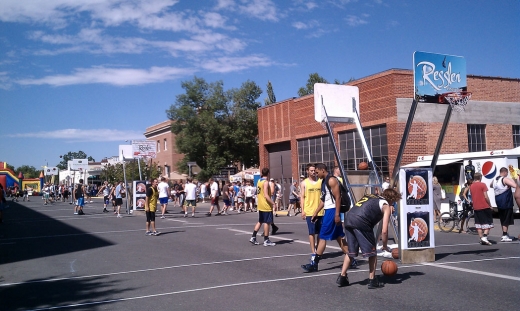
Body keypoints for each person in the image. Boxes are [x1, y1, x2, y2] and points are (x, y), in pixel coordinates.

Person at [336, 189, 402, 288]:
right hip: (361, 221)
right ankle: (372, 280)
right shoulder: (386, 205)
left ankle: (342, 276)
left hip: (349, 218)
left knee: (351, 251)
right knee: (372, 253)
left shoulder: (371, 196)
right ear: (392, 200)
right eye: (394, 201)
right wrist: (384, 246)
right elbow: (384, 230)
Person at [301, 163, 348, 273]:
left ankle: (314, 264)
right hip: (328, 210)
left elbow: (338, 198)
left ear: (322, 170)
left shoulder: (331, 180)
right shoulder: (323, 181)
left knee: (322, 236)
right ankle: (351, 258)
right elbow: (323, 199)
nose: (316, 174)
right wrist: (315, 212)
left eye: (317, 172)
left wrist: (337, 214)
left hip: (332, 211)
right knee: (339, 237)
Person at [300, 164, 324, 261]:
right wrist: (302, 210)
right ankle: (313, 252)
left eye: (314, 170)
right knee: (312, 232)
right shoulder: (304, 183)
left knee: (320, 233)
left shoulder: (320, 181)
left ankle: (318, 251)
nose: (313, 172)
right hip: (309, 211)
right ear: (307, 171)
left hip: (320, 211)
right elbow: (302, 197)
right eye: (311, 170)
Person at [249, 168, 276, 246]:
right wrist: (273, 203)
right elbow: (266, 195)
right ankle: (266, 240)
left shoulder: (259, 181)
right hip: (266, 205)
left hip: (260, 204)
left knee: (260, 221)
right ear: (268, 173)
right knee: (267, 222)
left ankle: (253, 237)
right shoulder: (266, 182)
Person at [490, 167, 516, 242]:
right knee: (506, 218)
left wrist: (499, 188)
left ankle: (505, 234)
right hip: (506, 201)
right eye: (507, 173)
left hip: (498, 201)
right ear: (505, 172)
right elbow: (515, 185)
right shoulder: (504, 179)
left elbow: (491, 185)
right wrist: (511, 182)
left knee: (503, 217)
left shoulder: (495, 179)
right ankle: (504, 235)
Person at [469, 173, 493, 245]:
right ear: (480, 177)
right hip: (484, 206)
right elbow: (486, 196)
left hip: (476, 207)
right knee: (488, 222)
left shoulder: (471, 186)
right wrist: (490, 205)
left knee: (479, 224)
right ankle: (484, 237)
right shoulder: (483, 185)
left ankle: (481, 238)